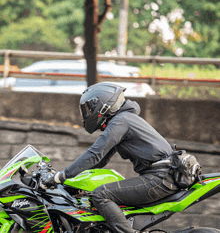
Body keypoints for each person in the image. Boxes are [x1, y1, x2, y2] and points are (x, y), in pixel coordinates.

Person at [42, 82, 179, 233]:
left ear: (103, 105)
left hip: (160, 178)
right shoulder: (124, 120)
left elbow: (94, 154)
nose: (87, 113)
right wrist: (69, 181)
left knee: (101, 195)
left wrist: (61, 175)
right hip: (163, 176)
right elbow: (101, 160)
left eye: (89, 109)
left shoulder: (120, 121)